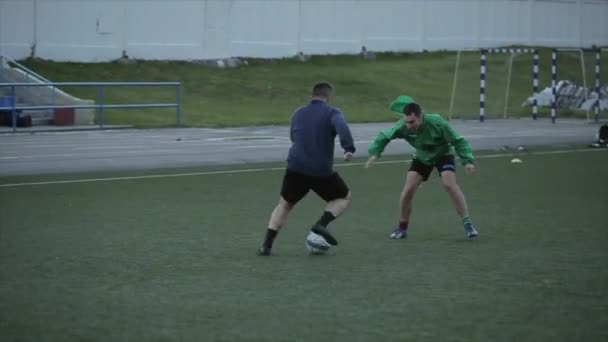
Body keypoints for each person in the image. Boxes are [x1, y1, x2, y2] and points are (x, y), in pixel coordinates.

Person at [258, 82, 356, 256]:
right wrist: (348, 148)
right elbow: (342, 128)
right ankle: (321, 224)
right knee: (343, 197)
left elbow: (293, 136)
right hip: (320, 170)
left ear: (313, 95)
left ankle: (266, 245)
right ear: (329, 97)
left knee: (285, 204)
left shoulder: (298, 113)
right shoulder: (333, 112)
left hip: (295, 167)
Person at [365, 95, 478, 239]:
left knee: (449, 184)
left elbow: (458, 141)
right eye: (406, 122)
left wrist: (467, 161)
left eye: (412, 122)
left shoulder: (437, 122)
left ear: (420, 116)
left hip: (443, 154)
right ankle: (402, 228)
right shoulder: (403, 125)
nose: (408, 125)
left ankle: (468, 224)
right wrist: (375, 153)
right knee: (407, 191)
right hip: (422, 157)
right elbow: (384, 136)